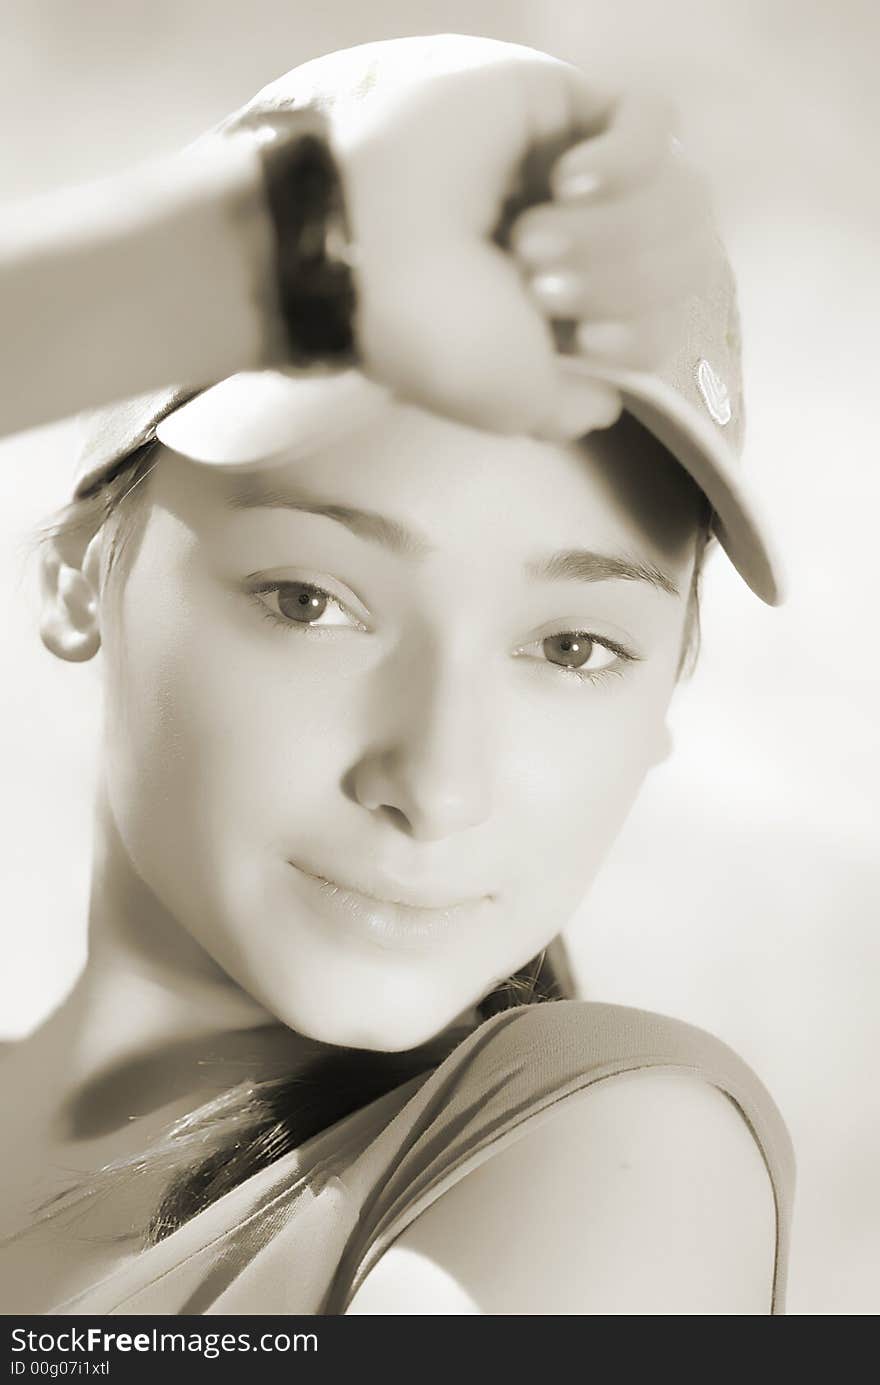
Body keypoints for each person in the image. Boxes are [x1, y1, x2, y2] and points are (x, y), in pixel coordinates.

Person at [0, 34, 794, 1316]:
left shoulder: (607, 1151)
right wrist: (234, 260)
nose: (434, 780)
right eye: (312, 601)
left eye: (572, 647)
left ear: (666, 691)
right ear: (84, 567)